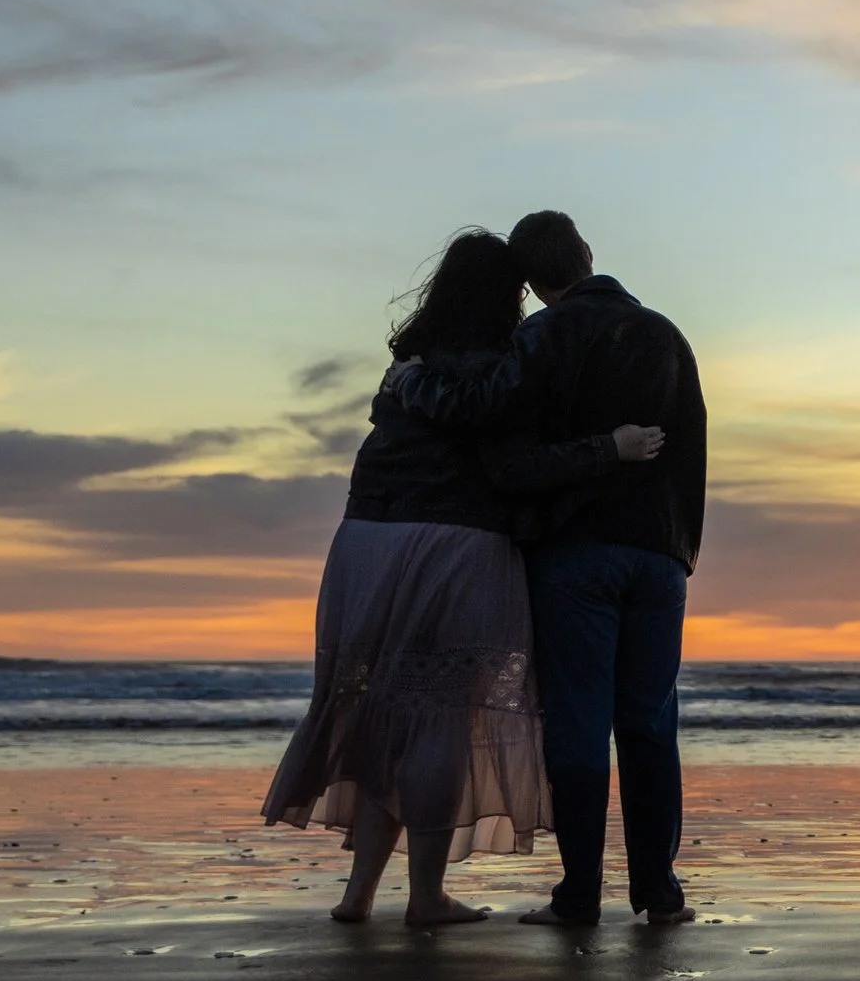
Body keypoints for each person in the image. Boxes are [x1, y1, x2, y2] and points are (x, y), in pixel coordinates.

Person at [261, 230, 666, 925]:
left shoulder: (406, 364)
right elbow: (512, 459)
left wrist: (413, 382)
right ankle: (425, 896)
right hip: (456, 545)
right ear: (510, 295)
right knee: (441, 721)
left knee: (383, 712)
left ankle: (359, 894)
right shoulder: (505, 365)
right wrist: (609, 448)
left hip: (365, 542)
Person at [392, 210, 708, 927]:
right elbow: (689, 451)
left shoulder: (537, 338)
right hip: (660, 553)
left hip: (576, 551)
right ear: (588, 252)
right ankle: (659, 891)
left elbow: (499, 440)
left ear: (531, 283)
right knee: (650, 725)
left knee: (580, 723)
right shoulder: (666, 335)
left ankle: (580, 895)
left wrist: (415, 384)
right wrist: (680, 549)